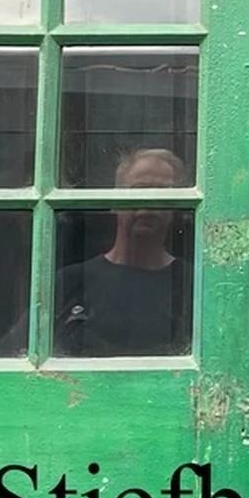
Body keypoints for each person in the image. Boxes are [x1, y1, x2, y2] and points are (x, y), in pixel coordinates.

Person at [53, 145, 189, 356]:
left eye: (162, 193)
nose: (148, 203)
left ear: (177, 208)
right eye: (139, 191)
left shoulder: (193, 287)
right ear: (114, 201)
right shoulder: (70, 283)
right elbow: (18, 353)